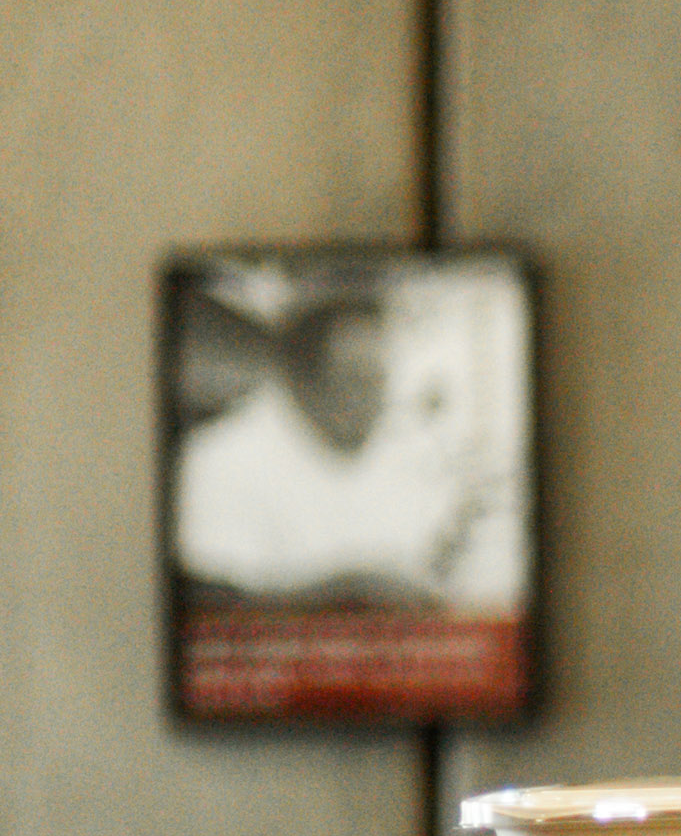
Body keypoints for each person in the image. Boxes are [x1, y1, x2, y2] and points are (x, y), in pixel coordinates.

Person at [169, 262, 527, 612]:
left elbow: (439, 577)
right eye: (358, 381)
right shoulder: (215, 465)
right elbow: (227, 619)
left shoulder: (404, 453)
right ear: (301, 378)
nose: (377, 401)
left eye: (381, 379)